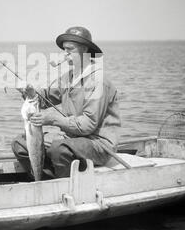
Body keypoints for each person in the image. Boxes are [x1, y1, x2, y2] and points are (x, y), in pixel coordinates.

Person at [12, 26, 121, 179]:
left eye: (70, 50)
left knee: (59, 148)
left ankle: (63, 187)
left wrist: (52, 120)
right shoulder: (67, 77)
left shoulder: (98, 81)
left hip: (98, 145)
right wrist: (29, 92)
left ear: (84, 50)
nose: (65, 54)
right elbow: (44, 98)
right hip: (72, 140)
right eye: (64, 50)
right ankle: (46, 179)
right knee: (20, 143)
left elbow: (88, 125)